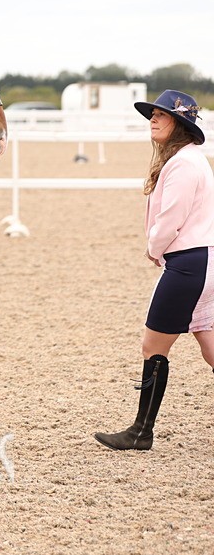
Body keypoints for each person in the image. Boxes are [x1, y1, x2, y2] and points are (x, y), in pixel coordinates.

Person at [94, 90, 214, 450]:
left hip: (188, 264)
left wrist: (153, 248)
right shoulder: (192, 159)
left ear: (180, 123)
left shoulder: (183, 164)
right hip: (202, 260)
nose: (153, 119)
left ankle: (141, 432)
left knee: (153, 346)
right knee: (209, 346)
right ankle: (140, 430)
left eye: (161, 115)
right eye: (152, 115)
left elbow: (170, 219)